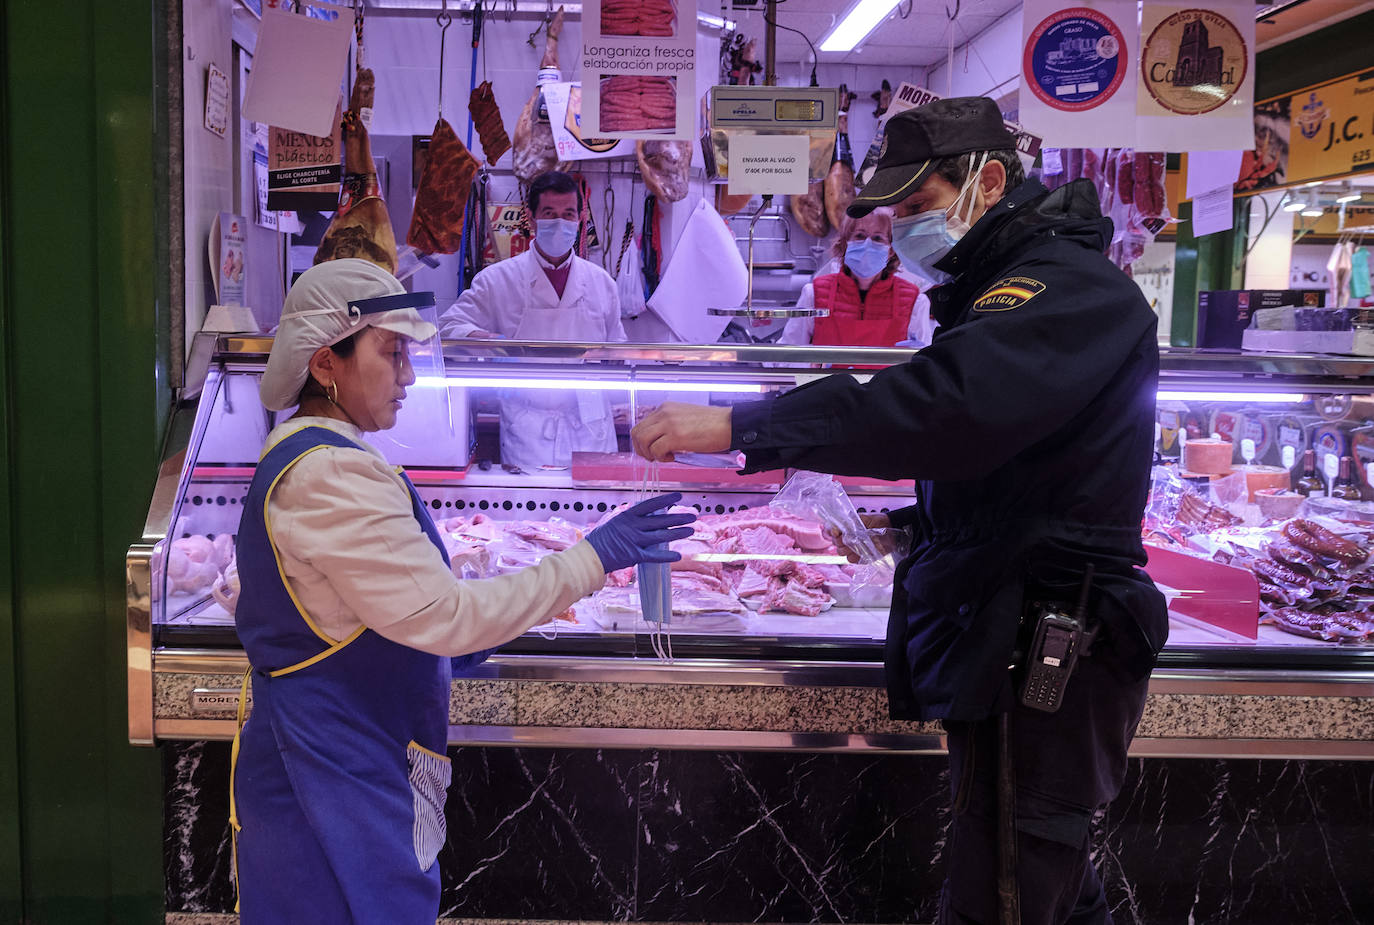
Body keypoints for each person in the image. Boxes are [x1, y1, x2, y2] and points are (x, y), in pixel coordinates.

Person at [630, 97, 1168, 925]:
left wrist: (745, 425)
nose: (905, 227)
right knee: (1047, 883)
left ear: (987, 183)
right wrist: (912, 526)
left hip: (1052, 647)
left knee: (1007, 894)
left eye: (917, 208)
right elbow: (1030, 473)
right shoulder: (1006, 285)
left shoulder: (1063, 292)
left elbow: (945, 410)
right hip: (1015, 636)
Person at [232, 258, 692, 924]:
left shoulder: (325, 455)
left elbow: (387, 615)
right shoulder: (328, 472)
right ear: (327, 362)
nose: (410, 376)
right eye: (393, 354)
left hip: (343, 761)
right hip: (325, 778)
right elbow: (446, 614)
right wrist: (593, 558)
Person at [439, 170, 626, 471]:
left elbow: (618, 352)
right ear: (532, 217)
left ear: (580, 217)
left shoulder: (602, 282)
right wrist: (491, 343)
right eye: (549, 214)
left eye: (568, 214)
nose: (560, 223)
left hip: (592, 424)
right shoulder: (498, 279)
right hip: (528, 426)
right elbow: (447, 329)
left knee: (597, 511)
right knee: (529, 513)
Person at [780, 207, 935, 349]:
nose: (867, 244)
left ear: (891, 251)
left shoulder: (914, 301)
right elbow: (789, 354)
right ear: (845, 244)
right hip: (826, 381)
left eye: (878, 238)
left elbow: (921, 362)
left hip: (885, 381)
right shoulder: (814, 294)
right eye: (860, 236)